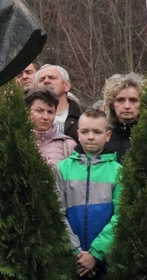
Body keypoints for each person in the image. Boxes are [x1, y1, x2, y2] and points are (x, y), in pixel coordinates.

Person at [55, 109, 121, 279]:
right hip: (71, 259)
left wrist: (95, 254)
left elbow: (120, 216)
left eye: (97, 132)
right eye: (85, 131)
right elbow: (56, 213)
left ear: (107, 135)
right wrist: (77, 253)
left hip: (106, 261)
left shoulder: (118, 171)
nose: (90, 136)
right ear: (78, 134)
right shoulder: (63, 169)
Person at [25, 87, 76, 169]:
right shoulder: (18, 141)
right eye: (39, 111)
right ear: (27, 111)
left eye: (50, 112)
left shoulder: (68, 145)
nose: (45, 117)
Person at [102, 73, 144, 162]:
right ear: (112, 104)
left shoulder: (145, 135)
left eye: (133, 100)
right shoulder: (102, 135)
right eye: (120, 100)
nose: (127, 106)